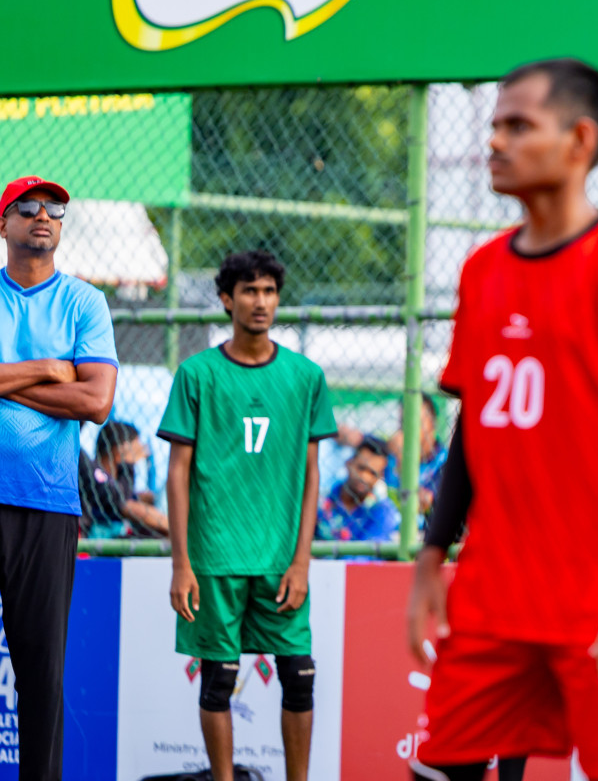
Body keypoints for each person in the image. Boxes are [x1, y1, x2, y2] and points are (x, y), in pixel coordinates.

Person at [405, 58, 598, 781]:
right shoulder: (480, 269)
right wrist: (433, 555)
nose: (495, 141)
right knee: (440, 767)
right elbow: (474, 424)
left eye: (518, 126)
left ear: (580, 142)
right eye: (494, 124)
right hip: (495, 594)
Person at [160, 250, 336, 781]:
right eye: (249, 291)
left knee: (300, 677)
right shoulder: (197, 374)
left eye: (269, 292)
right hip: (215, 557)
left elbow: (311, 478)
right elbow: (177, 473)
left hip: (280, 560)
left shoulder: (306, 376)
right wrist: (180, 563)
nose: (260, 302)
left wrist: (302, 562)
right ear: (226, 300)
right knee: (218, 681)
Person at [0, 175, 118, 781]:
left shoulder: (84, 303)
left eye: (55, 210)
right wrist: (49, 369)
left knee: (41, 675)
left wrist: (9, 377)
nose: (43, 216)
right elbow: (75, 387)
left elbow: (97, 402)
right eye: (28, 208)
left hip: (47, 505)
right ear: (5, 224)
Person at [79, 420, 168, 538]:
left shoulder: (115, 483)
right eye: (134, 451)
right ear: (119, 450)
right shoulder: (92, 473)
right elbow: (122, 503)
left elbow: (127, 496)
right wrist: (127, 464)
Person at [316, 435, 401, 543]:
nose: (364, 477)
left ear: (380, 477)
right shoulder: (322, 500)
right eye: (361, 468)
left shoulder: (383, 511)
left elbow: (366, 556)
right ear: (349, 463)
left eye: (373, 473)